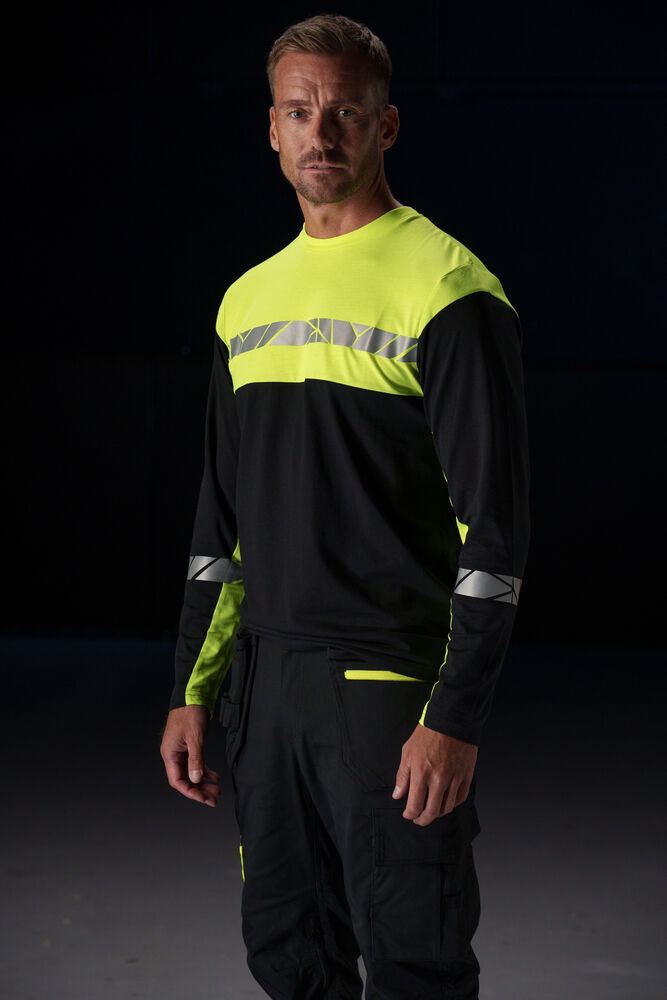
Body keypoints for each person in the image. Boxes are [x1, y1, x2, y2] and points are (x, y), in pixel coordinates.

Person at [160, 13, 529, 1000]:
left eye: (345, 113)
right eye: (298, 111)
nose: (319, 134)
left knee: (413, 962)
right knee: (289, 957)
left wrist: (453, 716)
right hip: (264, 692)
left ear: (385, 125)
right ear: (271, 128)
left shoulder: (448, 289)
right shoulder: (246, 301)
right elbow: (219, 527)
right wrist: (193, 687)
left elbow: (492, 536)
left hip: (388, 691)